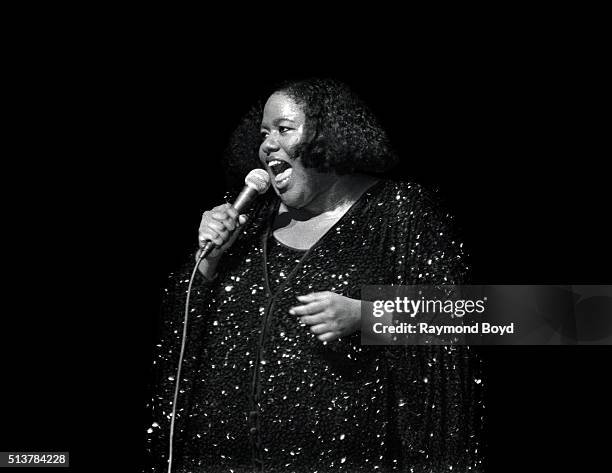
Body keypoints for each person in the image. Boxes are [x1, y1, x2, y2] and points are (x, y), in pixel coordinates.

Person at [144, 78, 484, 472]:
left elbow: (490, 317)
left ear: (329, 135)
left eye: (284, 129)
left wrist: (367, 315)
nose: (267, 145)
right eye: (264, 134)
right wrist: (210, 261)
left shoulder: (398, 211)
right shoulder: (249, 219)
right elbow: (179, 343)